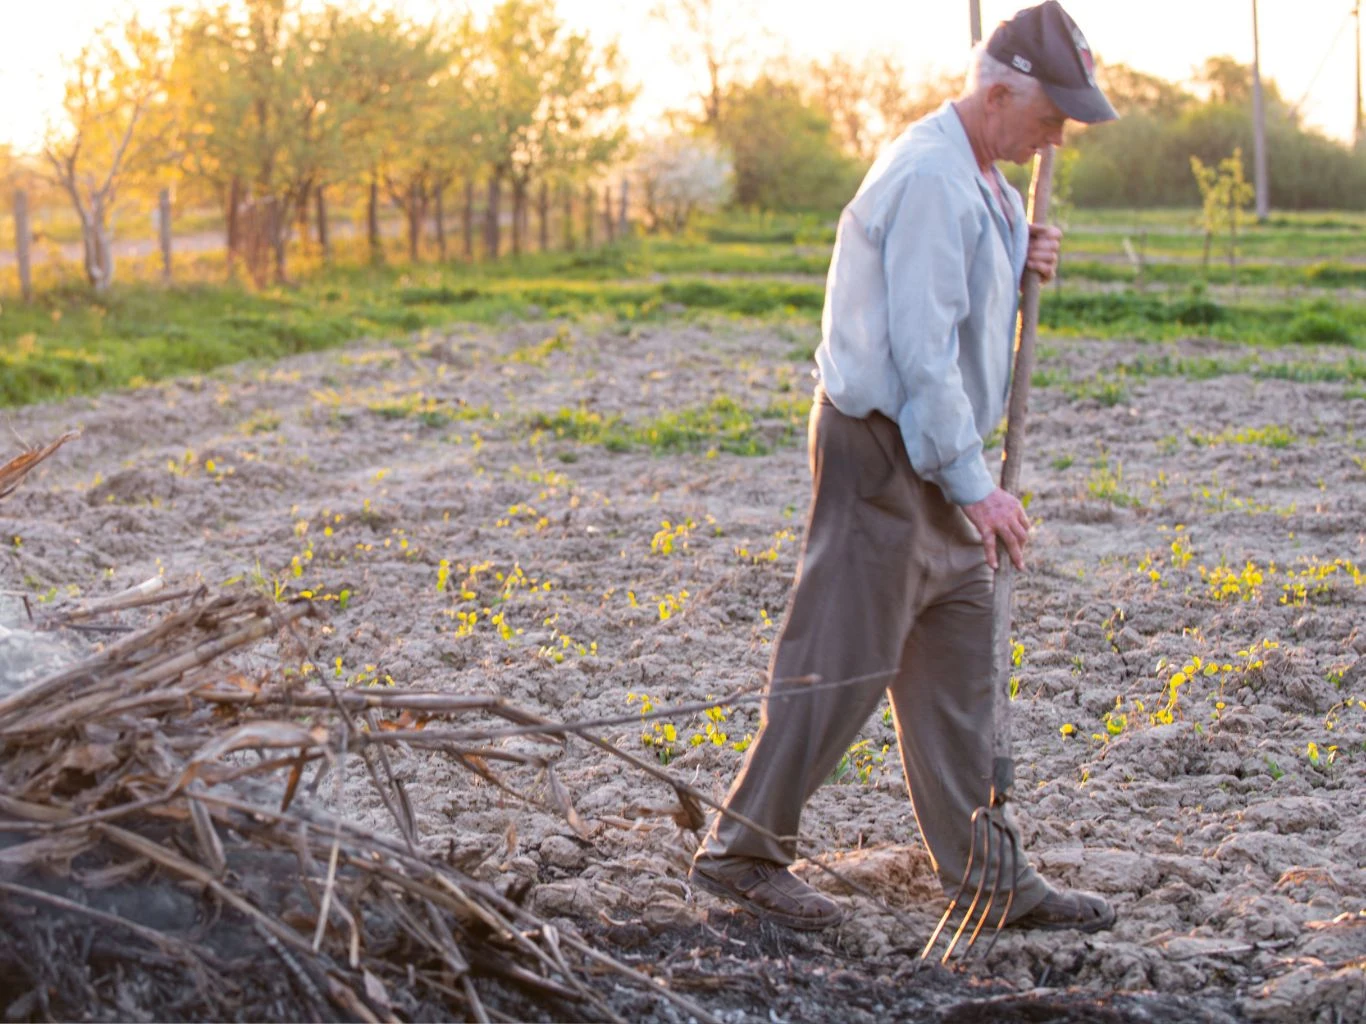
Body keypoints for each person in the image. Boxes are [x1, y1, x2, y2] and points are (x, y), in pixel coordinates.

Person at [690, 1, 1120, 933]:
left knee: (958, 666)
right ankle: (741, 854)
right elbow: (924, 355)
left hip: (934, 447)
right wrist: (977, 487)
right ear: (1000, 91)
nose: (1059, 139)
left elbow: (960, 298)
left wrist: (1017, 249)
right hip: (885, 452)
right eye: (1052, 118)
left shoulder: (985, 178)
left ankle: (989, 877)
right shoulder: (930, 174)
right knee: (841, 662)